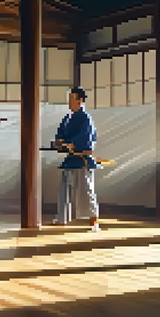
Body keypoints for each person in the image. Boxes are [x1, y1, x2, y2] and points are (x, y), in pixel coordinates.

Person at [51, 86, 100, 232]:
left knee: (86, 190)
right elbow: (60, 135)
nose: (69, 102)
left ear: (80, 100)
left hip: (82, 159)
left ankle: (94, 221)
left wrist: (72, 143)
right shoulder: (67, 118)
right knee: (64, 190)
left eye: (72, 98)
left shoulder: (85, 118)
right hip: (70, 159)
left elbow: (86, 137)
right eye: (69, 98)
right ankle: (61, 218)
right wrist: (60, 142)